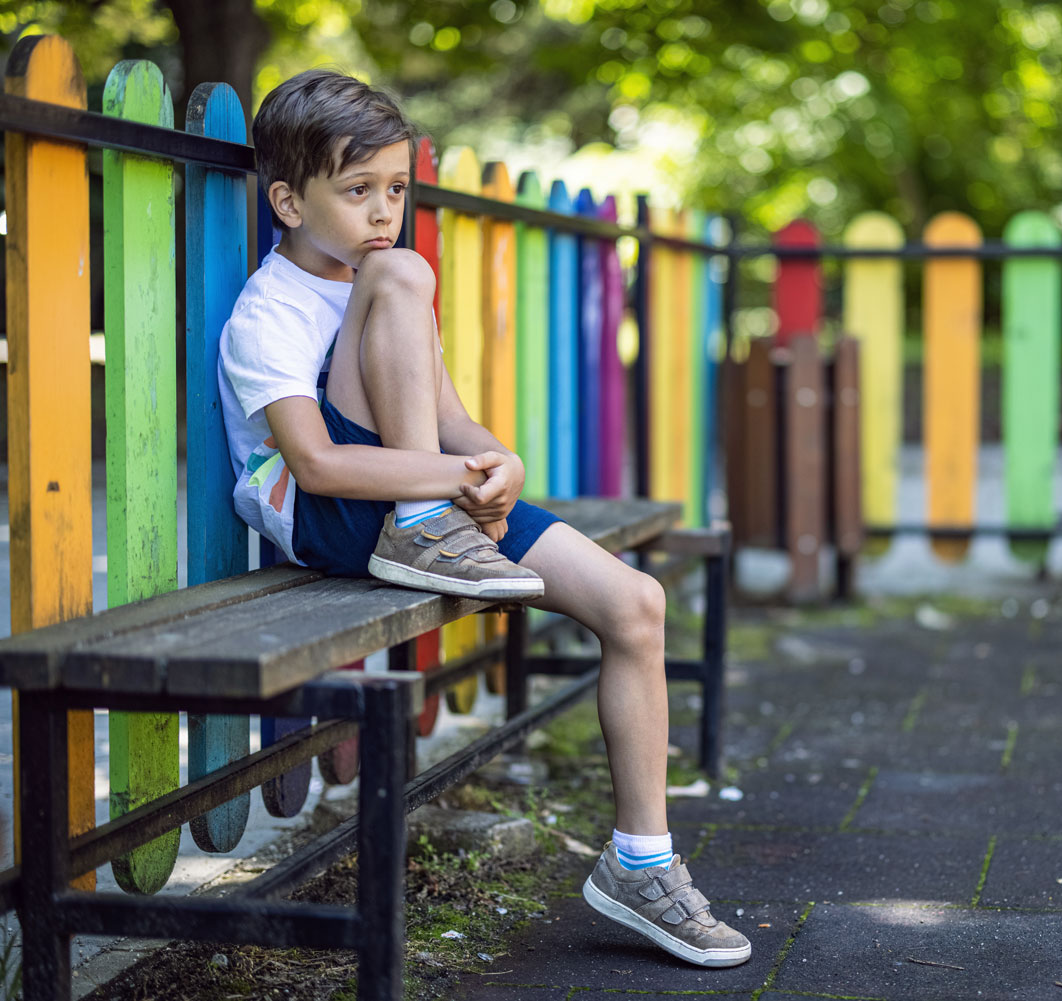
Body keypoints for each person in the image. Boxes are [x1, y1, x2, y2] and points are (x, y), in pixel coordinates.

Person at [217, 68, 750, 969]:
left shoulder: (379, 288)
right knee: (402, 273)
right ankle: (425, 523)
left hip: (426, 505)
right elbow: (318, 464)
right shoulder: (271, 311)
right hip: (340, 517)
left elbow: (452, 418)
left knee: (637, 604)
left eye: (395, 189)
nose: (384, 212)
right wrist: (444, 478)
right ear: (288, 201)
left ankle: (639, 864)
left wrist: (497, 461)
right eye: (358, 192)